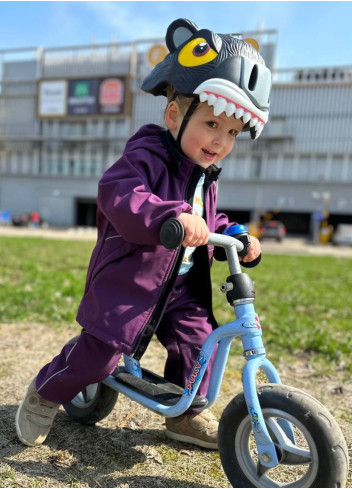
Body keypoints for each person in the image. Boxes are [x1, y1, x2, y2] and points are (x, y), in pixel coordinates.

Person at [16, 18, 272, 450]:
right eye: (211, 124)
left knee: (198, 347)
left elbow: (207, 218)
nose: (221, 140)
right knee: (100, 355)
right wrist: (167, 215)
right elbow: (120, 195)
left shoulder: (204, 175)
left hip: (183, 287)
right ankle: (46, 392)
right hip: (130, 281)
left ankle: (186, 415)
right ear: (175, 115)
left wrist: (234, 234)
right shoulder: (147, 153)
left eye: (231, 132)